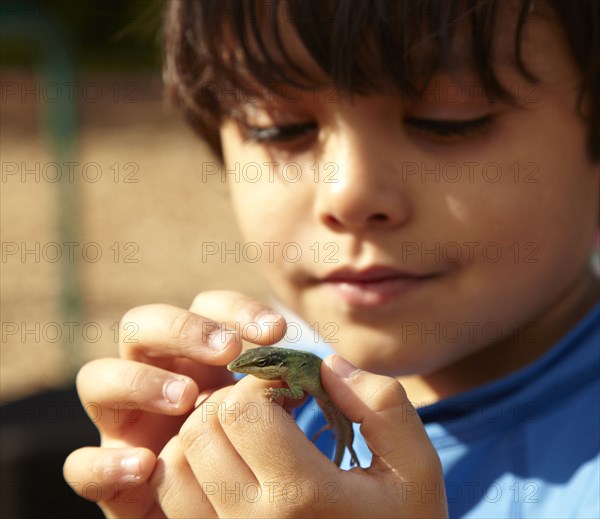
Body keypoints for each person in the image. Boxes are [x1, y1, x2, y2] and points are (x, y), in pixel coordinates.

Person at [64, 0, 600, 517]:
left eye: (448, 119)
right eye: (280, 128)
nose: (349, 194)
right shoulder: (237, 397)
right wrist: (182, 488)